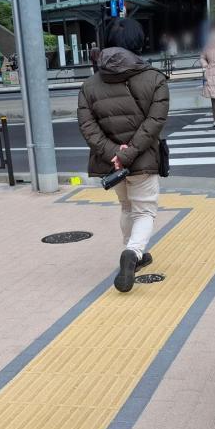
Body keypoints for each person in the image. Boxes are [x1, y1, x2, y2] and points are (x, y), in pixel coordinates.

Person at [77, 18, 169, 293]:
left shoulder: (89, 85)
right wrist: (129, 154)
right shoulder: (154, 79)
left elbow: (87, 126)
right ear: (139, 42)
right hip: (141, 161)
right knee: (144, 210)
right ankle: (133, 253)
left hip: (111, 164)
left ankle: (134, 252)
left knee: (127, 207)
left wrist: (114, 153)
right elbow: (155, 122)